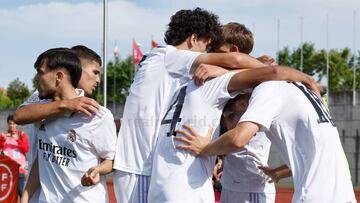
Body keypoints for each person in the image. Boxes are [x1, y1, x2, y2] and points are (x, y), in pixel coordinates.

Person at [175, 82, 356, 202]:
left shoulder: (268, 90)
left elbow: (238, 138)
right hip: (343, 195)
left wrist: (205, 149)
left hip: (315, 197)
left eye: (228, 120)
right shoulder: (302, 92)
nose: (229, 128)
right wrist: (277, 172)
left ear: (241, 105)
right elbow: (316, 154)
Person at [21, 48, 116, 203]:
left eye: (40, 72)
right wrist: (24, 198)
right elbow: (43, 156)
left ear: (59, 76)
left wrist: (97, 170)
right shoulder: (41, 106)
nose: (36, 78)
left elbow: (110, 159)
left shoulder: (98, 116)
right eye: (95, 72)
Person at [0, 115, 29, 202]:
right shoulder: (4, 136)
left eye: (14, 123)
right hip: (9, 171)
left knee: (23, 195)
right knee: (11, 197)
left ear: (17, 124)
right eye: (10, 124)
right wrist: (2, 140)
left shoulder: (21, 135)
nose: (12, 126)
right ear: (8, 124)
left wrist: (17, 140)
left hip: (20, 170)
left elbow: (26, 149)